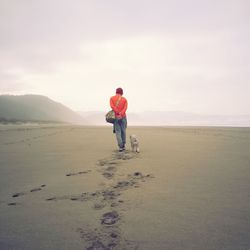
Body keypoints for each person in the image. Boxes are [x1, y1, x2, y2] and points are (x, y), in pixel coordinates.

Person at [110, 87, 128, 152]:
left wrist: (117, 113)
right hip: (123, 117)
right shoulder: (124, 99)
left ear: (116, 92)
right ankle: (123, 146)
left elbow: (112, 106)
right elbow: (125, 108)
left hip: (116, 117)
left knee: (118, 132)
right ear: (122, 92)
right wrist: (121, 114)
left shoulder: (112, 98)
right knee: (123, 131)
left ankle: (120, 147)